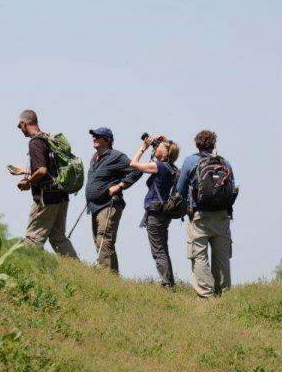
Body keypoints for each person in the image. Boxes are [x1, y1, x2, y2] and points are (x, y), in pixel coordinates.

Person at [9, 110, 78, 258]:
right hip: (61, 195)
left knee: (33, 238)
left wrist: (27, 183)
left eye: (19, 126)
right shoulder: (48, 139)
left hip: (46, 198)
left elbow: (41, 170)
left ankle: (28, 269)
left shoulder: (35, 142)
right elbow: (51, 171)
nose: (20, 130)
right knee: (58, 238)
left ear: (23, 123)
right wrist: (25, 171)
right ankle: (80, 271)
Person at [177, 130, 236, 298]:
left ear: (197, 144)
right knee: (222, 257)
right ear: (214, 144)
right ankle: (223, 295)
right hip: (222, 216)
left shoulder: (190, 161)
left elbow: (180, 190)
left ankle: (206, 296)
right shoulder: (224, 162)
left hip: (199, 216)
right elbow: (232, 188)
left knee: (199, 255)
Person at [85, 127, 142, 272]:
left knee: (104, 240)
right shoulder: (94, 158)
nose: (94, 138)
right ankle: (113, 277)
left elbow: (137, 170)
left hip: (109, 204)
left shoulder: (117, 156)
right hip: (94, 206)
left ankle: (105, 276)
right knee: (100, 242)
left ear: (107, 140)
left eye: (98, 136)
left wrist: (120, 186)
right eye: (93, 136)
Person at [130, 135, 180, 287]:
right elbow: (167, 150)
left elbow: (133, 164)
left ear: (165, 154)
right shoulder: (173, 168)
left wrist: (143, 148)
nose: (157, 148)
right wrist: (163, 140)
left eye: (160, 147)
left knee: (158, 250)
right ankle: (169, 282)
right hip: (165, 212)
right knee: (163, 247)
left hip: (155, 211)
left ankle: (166, 283)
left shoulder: (158, 166)